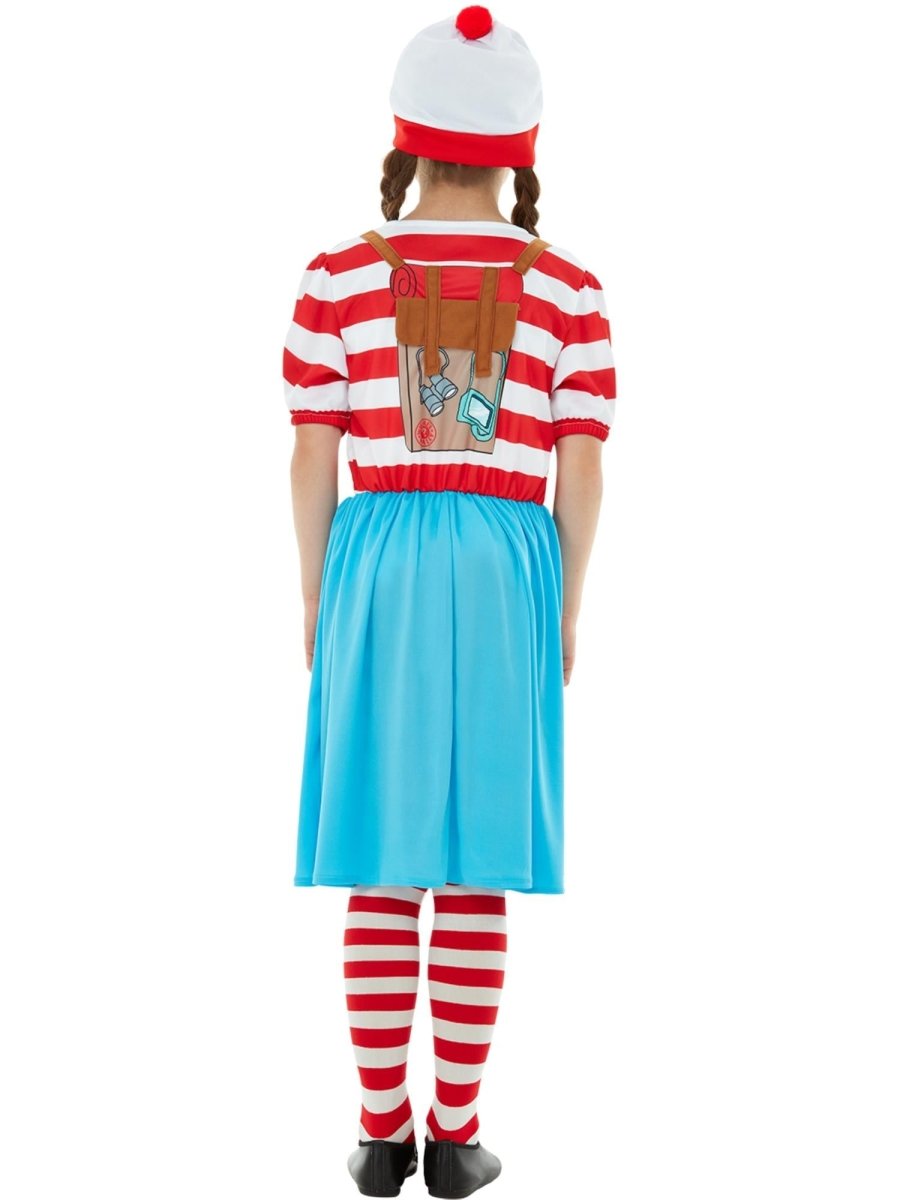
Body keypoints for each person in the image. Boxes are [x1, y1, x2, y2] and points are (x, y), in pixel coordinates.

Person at [282, 8, 616, 1196]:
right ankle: (455, 1136)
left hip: (377, 557)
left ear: (406, 137)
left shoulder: (335, 279)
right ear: (521, 149)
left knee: (383, 853)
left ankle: (381, 1134)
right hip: (505, 563)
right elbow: (582, 465)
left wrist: (316, 593)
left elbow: (311, 454)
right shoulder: (569, 290)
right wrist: (565, 604)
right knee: (475, 862)